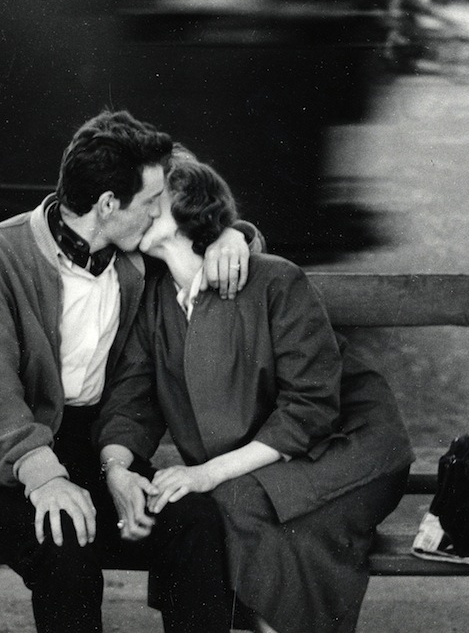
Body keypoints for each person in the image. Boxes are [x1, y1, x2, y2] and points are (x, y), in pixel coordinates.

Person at [0, 110, 258, 633]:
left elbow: (202, 222)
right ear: (109, 204)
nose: (161, 214)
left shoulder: (132, 257)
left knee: (196, 524)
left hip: (93, 450)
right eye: (152, 202)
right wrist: (45, 481)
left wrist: (231, 239)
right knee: (66, 547)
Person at [97, 152, 414, 633]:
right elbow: (132, 401)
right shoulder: (155, 297)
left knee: (231, 506)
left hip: (346, 447)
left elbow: (310, 408)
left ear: (185, 211)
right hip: (262, 462)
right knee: (206, 511)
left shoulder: (274, 280)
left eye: (151, 201)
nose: (136, 210)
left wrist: (205, 473)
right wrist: (117, 468)